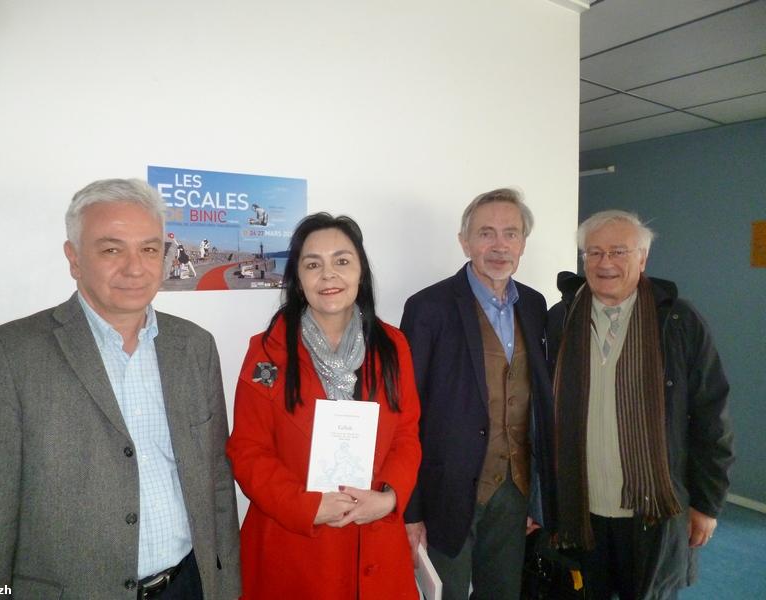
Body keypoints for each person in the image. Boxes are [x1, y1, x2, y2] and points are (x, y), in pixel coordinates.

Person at [0, 179, 241, 599]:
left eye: (149, 249)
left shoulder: (195, 346)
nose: (135, 267)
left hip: (188, 584)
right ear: (74, 258)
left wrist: (226, 588)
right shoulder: (10, 353)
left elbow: (217, 482)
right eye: (112, 249)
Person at [228, 213, 421, 599]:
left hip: (375, 542)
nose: (328, 275)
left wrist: (390, 497)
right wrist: (307, 508)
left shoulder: (393, 346)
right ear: (298, 279)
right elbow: (248, 450)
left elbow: (407, 434)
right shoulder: (267, 352)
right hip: (294, 546)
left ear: (361, 272)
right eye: (313, 264)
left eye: (342, 261)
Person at [547, 210, 734, 600]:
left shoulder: (679, 322)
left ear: (643, 259)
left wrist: (707, 503)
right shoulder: (561, 318)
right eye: (593, 253)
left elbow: (711, 419)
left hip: (653, 512)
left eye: (618, 251)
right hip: (581, 506)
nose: (605, 263)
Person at [401, 188, 556, 599]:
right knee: (446, 594)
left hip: (514, 490)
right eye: (486, 233)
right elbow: (405, 413)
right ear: (465, 241)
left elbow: (540, 404)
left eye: (511, 233)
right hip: (446, 492)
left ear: (523, 242)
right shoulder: (427, 308)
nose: (499, 245)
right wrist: (410, 509)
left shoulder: (537, 306)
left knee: (503, 593)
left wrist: (537, 497)